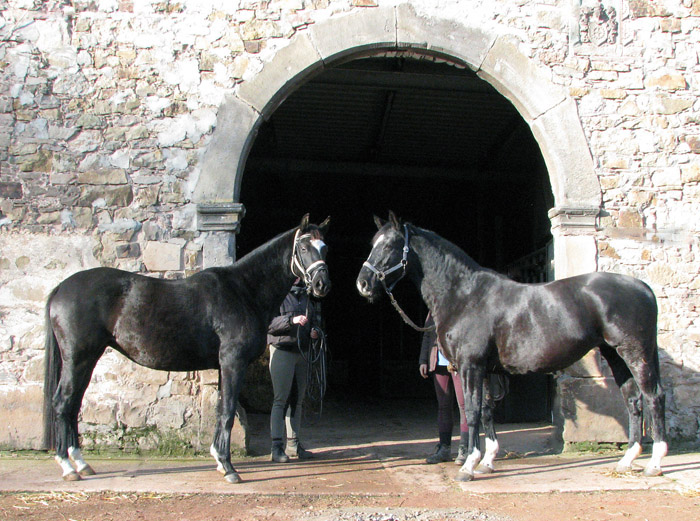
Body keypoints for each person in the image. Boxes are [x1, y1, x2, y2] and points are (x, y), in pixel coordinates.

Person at [267, 279, 322, 463]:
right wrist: (291, 320)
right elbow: (269, 324)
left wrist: (314, 331)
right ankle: (276, 447)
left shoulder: (307, 298)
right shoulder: (277, 296)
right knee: (280, 399)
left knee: (297, 401)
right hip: (283, 350)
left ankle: (294, 444)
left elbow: (314, 321)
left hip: (302, 352)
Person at [419, 312, 469, 465]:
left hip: (457, 361)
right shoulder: (433, 309)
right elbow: (427, 334)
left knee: (464, 406)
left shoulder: (459, 303)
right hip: (439, 362)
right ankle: (444, 448)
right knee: (444, 406)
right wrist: (423, 360)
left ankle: (465, 448)